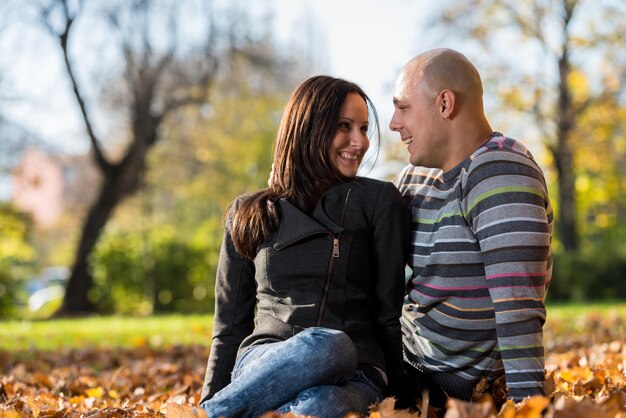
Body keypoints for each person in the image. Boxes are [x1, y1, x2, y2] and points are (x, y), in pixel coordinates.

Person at [200, 75, 411, 418]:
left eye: (363, 128)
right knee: (324, 346)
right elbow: (229, 326)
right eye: (344, 126)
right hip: (266, 361)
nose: (359, 142)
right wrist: (211, 393)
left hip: (357, 372)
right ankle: (212, 413)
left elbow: (389, 312)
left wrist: (403, 399)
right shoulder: (249, 213)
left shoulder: (378, 202)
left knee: (321, 399)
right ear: (308, 128)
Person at [389, 48, 554, 410]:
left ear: (445, 103)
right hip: (398, 365)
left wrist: (529, 409)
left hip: (455, 390)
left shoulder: (500, 170)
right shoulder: (414, 177)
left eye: (403, 108)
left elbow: (517, 308)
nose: (393, 123)